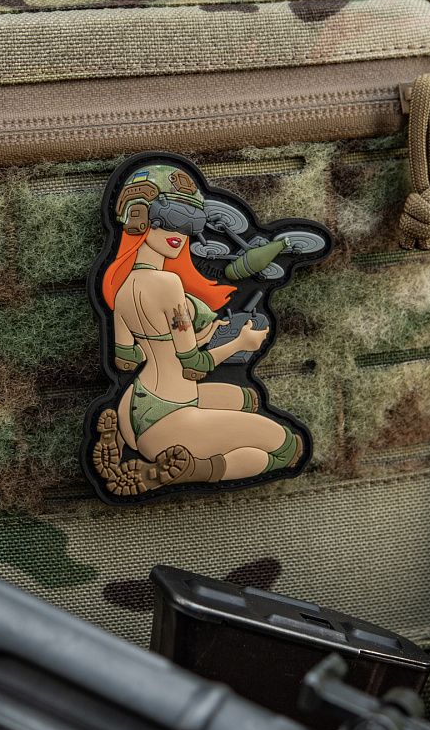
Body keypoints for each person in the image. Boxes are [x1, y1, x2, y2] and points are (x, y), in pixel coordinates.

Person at [90, 163, 303, 497]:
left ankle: (127, 441)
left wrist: (198, 335)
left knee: (246, 399)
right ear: (140, 218)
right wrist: (241, 342)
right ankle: (187, 470)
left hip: (135, 406)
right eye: (169, 218)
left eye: (191, 222)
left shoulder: (122, 287)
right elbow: (194, 366)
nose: (180, 232)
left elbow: (127, 359)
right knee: (286, 448)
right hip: (170, 418)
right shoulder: (169, 284)